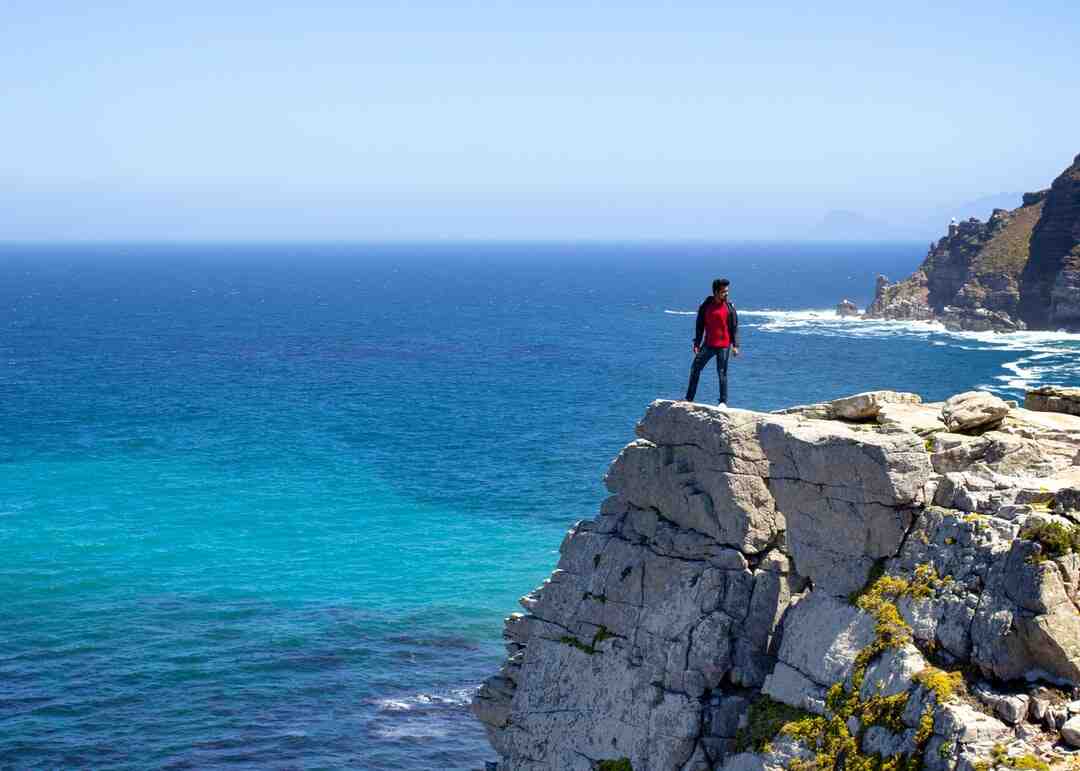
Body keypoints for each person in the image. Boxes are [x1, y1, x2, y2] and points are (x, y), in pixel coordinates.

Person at [685, 278, 739, 406]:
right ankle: (689, 399)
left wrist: (735, 345)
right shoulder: (705, 306)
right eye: (723, 292)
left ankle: (723, 402)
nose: (726, 294)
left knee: (722, 373)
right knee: (695, 368)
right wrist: (697, 343)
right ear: (715, 292)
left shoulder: (729, 307)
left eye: (727, 291)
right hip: (709, 344)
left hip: (724, 345)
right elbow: (699, 326)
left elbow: (734, 327)